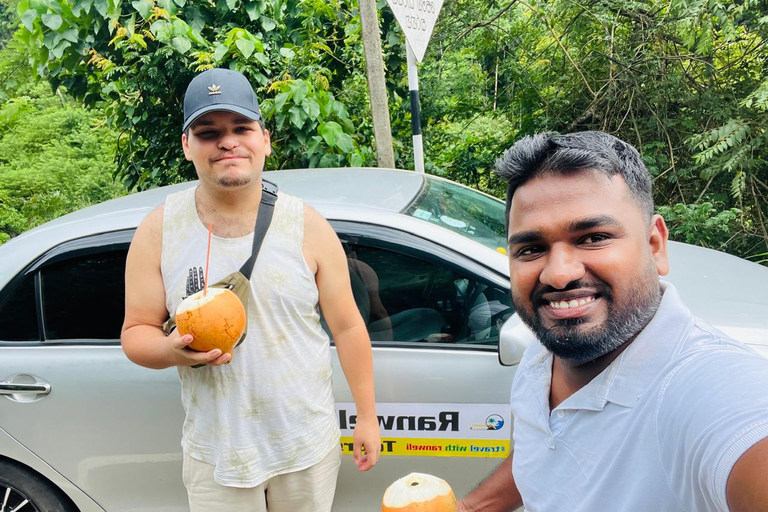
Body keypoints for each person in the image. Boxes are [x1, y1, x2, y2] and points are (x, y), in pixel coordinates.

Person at [457, 131, 768, 512]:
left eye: (593, 237)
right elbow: (543, 449)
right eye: (532, 249)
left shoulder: (709, 387)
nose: (558, 274)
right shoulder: (543, 355)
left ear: (655, 245)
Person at [121, 68, 380, 512]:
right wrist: (172, 351)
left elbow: (350, 327)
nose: (228, 142)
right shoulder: (160, 229)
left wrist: (367, 418)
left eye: (242, 128)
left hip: (304, 446)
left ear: (265, 139)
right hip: (216, 452)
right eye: (208, 132)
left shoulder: (308, 225)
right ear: (187, 145)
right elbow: (136, 332)